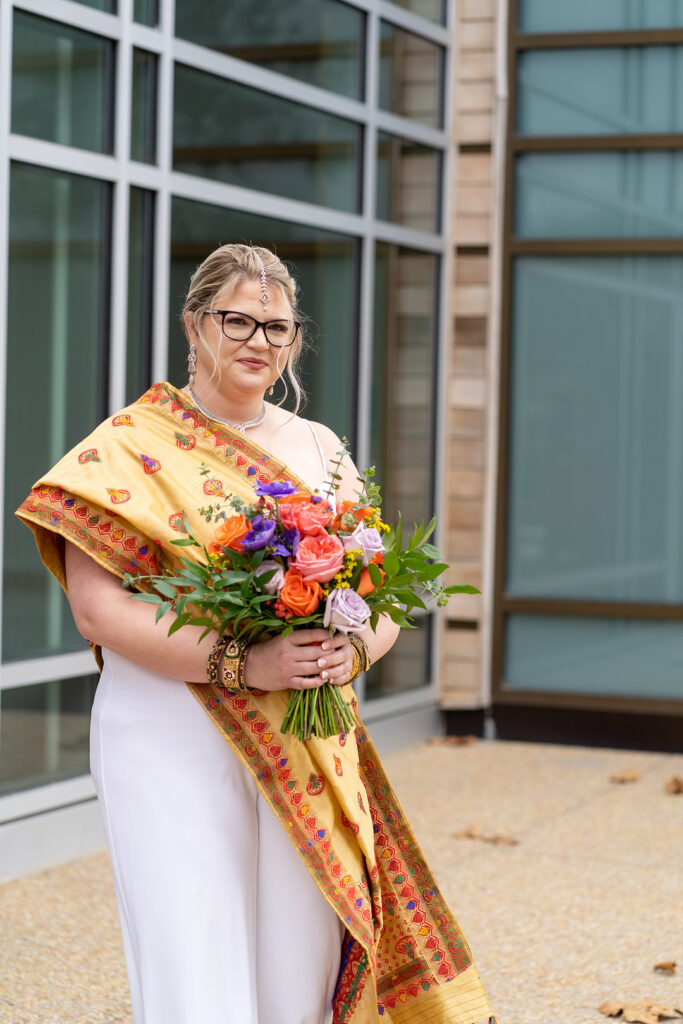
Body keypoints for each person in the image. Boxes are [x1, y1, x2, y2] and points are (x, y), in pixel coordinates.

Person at [16, 245, 497, 1024]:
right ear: (194, 324)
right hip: (168, 726)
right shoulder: (127, 447)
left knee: (299, 945)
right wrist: (247, 662)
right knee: (191, 933)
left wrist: (351, 647)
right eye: (237, 319)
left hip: (303, 731)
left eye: (277, 326)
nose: (258, 340)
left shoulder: (318, 447)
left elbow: (379, 595)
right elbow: (98, 612)